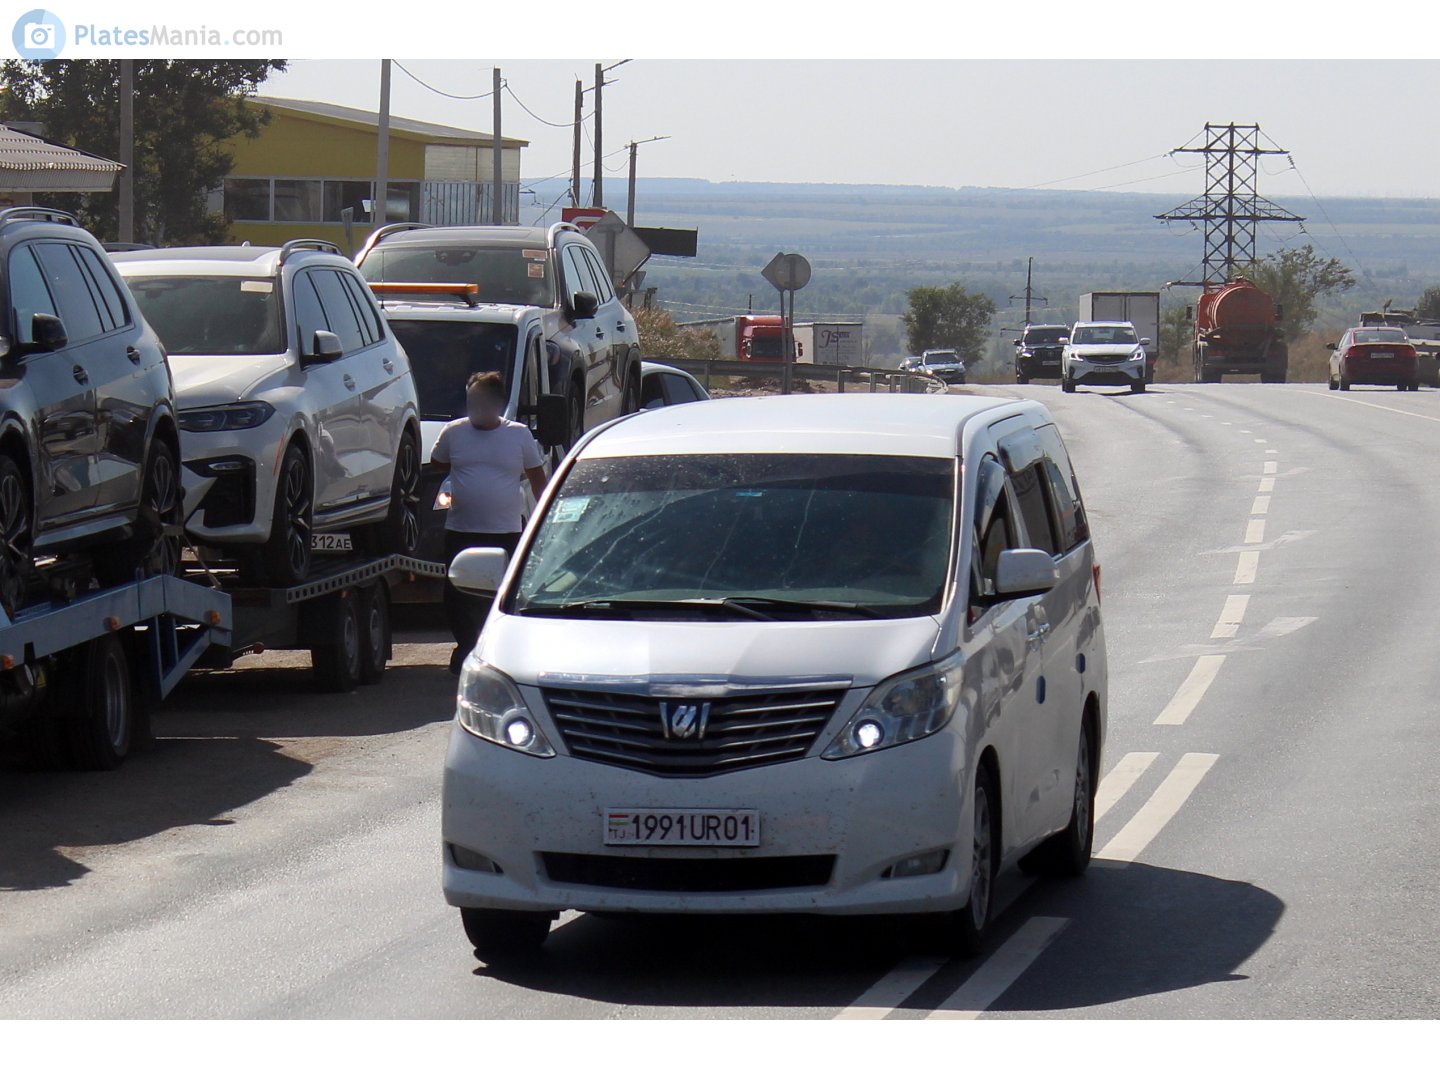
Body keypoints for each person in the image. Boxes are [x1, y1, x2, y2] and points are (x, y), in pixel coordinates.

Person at [431, 371, 548, 673]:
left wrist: (545, 519)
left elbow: (537, 479)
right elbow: (437, 463)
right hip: (461, 530)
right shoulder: (454, 432)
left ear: (497, 403)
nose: (475, 408)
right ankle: (466, 648)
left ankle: (498, 650)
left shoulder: (519, 435)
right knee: (457, 595)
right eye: (471, 402)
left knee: (503, 594)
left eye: (482, 402)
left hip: (505, 530)